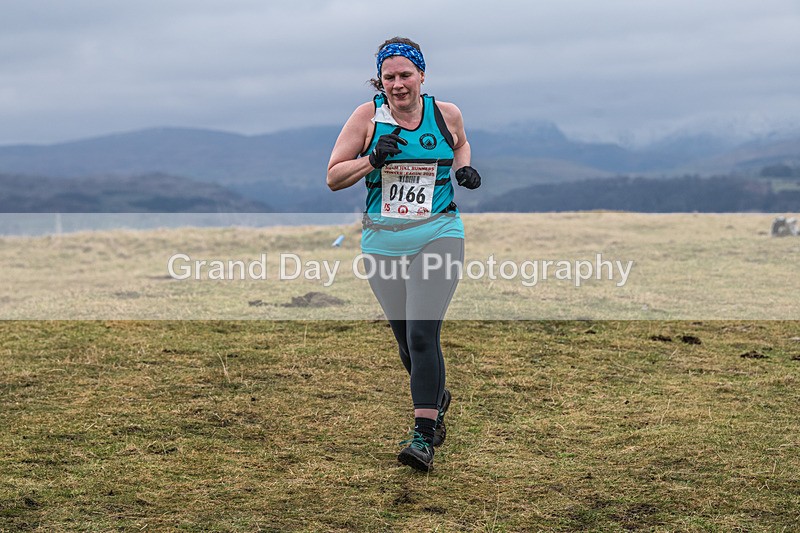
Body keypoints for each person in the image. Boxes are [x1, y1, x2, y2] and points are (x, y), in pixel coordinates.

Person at [326, 37, 481, 472]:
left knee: (421, 334)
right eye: (389, 77)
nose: (398, 84)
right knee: (406, 344)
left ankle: (423, 437)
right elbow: (334, 177)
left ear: (422, 75)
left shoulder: (446, 113)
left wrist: (463, 168)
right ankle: (437, 398)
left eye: (405, 75)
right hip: (382, 245)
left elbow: (461, 143)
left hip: (439, 235)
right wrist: (373, 160)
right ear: (381, 80)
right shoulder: (366, 117)